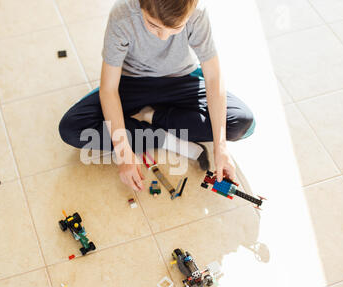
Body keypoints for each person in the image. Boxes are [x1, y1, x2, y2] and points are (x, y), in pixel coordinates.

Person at [59, 0, 255, 192]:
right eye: (153, 25)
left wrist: (220, 148)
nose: (163, 37)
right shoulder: (122, 14)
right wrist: (123, 151)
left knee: (242, 123)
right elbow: (109, 89)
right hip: (131, 81)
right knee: (71, 129)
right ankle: (164, 139)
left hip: (182, 79)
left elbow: (213, 77)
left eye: (175, 28)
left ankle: (154, 117)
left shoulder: (197, 12)